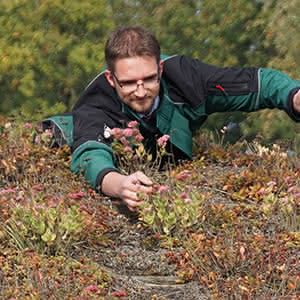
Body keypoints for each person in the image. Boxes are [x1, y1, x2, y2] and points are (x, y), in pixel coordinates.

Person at [66, 26, 299, 212]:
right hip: (64, 136)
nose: (140, 91)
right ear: (110, 78)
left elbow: (258, 84)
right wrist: (120, 186)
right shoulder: (96, 102)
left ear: (160, 68)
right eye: (128, 83)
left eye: (149, 79)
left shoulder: (187, 77)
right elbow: (90, 156)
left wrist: (294, 96)